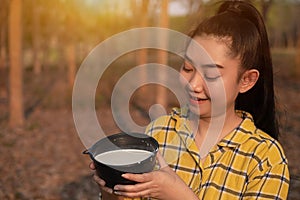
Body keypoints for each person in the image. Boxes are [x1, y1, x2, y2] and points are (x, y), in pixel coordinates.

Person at [89, 1, 290, 199]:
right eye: (187, 68)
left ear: (246, 80)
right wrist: (113, 188)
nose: (193, 84)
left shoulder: (265, 158)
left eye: (211, 74)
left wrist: (177, 194)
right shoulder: (159, 133)